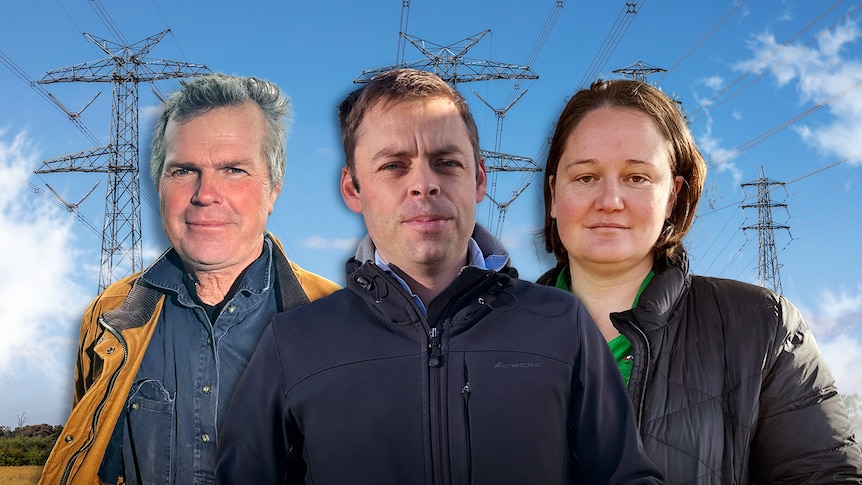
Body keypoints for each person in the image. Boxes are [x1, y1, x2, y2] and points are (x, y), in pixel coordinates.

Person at [215, 68, 662, 484]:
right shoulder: (293, 342)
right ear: (353, 188)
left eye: (447, 162)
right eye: (394, 165)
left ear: (479, 179)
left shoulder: (562, 323)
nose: (424, 184)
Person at [538, 78, 862, 483]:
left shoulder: (762, 328)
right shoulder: (485, 333)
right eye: (585, 177)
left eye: (637, 177)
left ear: (672, 197)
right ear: (553, 195)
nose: (610, 199)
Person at [39, 73, 340, 485]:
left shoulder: (341, 319)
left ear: (273, 190)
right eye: (183, 171)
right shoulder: (111, 317)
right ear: (158, 186)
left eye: (233, 169)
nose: (205, 193)